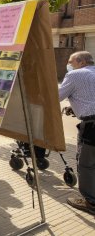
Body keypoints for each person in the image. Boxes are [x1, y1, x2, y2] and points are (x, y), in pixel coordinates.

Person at [59, 51, 95, 215]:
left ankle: (91, 202)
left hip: (92, 127)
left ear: (81, 62)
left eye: (71, 62)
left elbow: (56, 96)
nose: (69, 65)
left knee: (86, 164)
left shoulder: (76, 74)